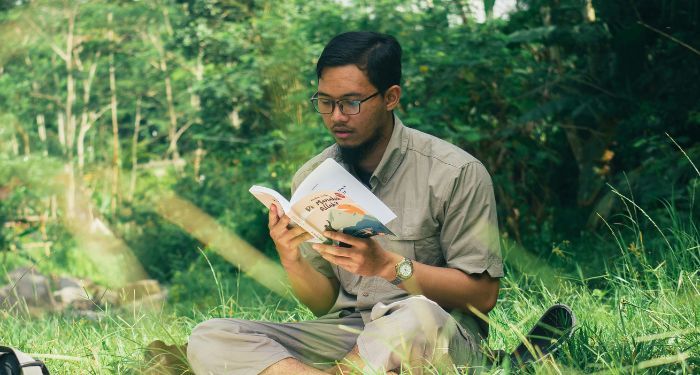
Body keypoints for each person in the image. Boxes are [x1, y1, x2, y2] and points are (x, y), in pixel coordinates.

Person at [187, 31, 503, 374]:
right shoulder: (313, 178)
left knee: (416, 315)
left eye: (351, 103)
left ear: (390, 97)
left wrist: (389, 267)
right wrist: (290, 257)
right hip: (348, 335)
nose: (336, 116)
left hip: (432, 334)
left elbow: (483, 296)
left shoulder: (455, 173)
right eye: (325, 102)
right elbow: (325, 305)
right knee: (211, 337)